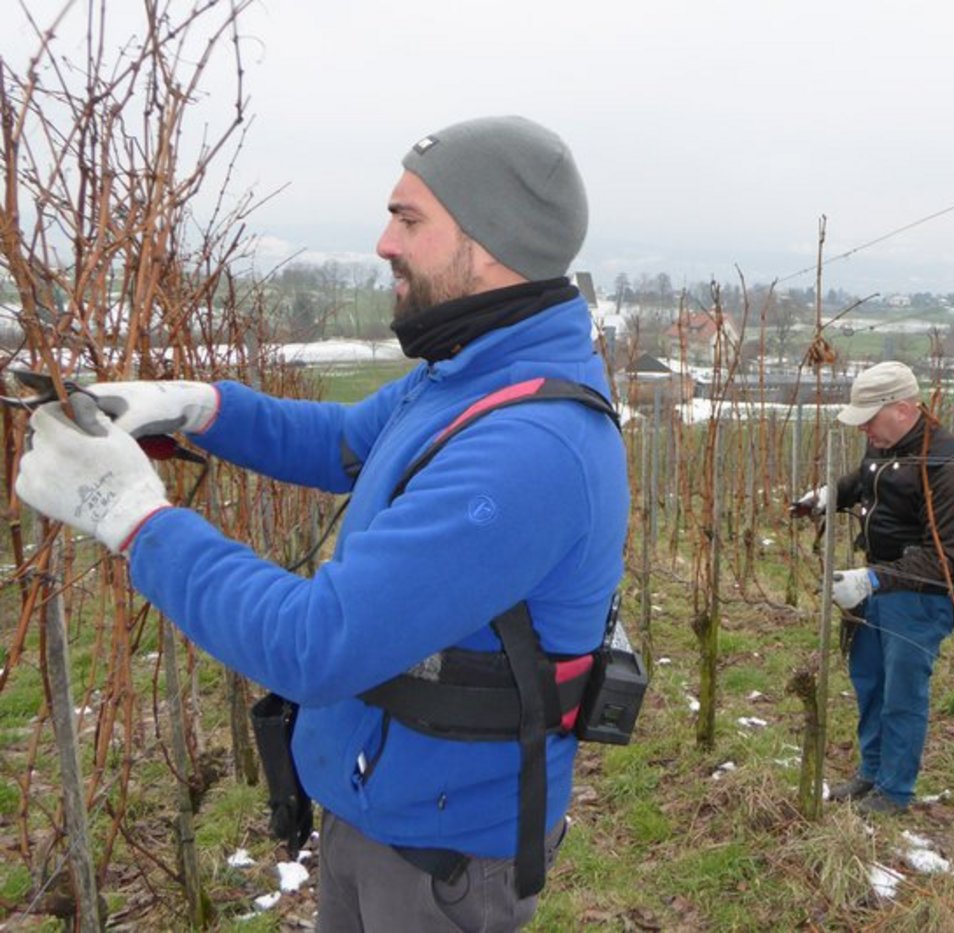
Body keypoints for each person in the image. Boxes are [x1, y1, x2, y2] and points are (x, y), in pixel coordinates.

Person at [17, 115, 629, 931]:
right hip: (380, 802)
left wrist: (133, 519)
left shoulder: (529, 446)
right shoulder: (468, 373)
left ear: (489, 242)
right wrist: (195, 406)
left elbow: (317, 642)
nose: (383, 242)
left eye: (409, 218)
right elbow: (341, 441)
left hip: (438, 859)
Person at [794, 361, 954, 815]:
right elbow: (865, 481)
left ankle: (894, 792)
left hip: (920, 596)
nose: (865, 432)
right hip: (876, 587)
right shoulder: (885, 445)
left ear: (903, 408)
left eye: (870, 420)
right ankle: (871, 773)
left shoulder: (948, 463)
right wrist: (828, 495)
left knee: (902, 693)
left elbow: (945, 555)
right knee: (869, 682)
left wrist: (873, 578)